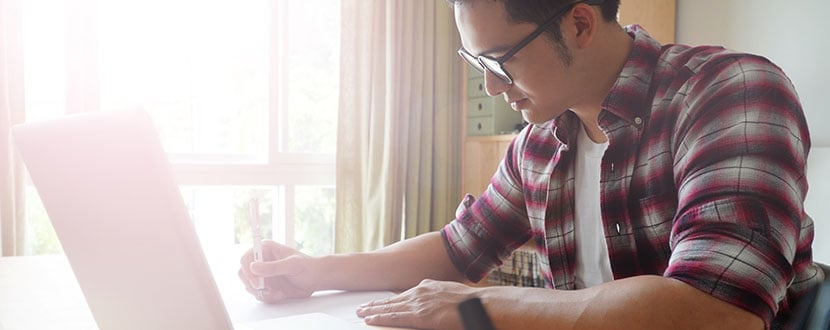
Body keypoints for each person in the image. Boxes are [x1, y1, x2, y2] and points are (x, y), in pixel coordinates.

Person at [239, 0, 823, 328]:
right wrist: (316, 271)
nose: (491, 88)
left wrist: (478, 306)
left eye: (500, 60)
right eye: (476, 61)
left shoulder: (734, 92)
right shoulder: (540, 143)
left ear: (579, 22)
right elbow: (457, 247)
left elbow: (716, 314)